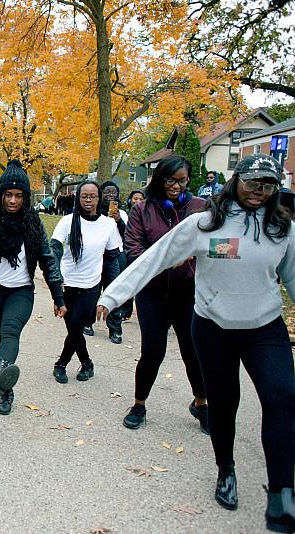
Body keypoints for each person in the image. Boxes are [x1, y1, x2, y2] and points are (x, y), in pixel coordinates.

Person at [96, 154, 295, 532]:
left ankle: (283, 492)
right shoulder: (204, 223)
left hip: (264, 328)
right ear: (236, 182)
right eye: (253, 184)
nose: (259, 192)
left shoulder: (282, 228)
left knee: (283, 398)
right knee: (224, 403)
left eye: (268, 186)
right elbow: (155, 258)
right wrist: (113, 295)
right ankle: (226, 470)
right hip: (214, 327)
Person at [0, 160, 66, 414]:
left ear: (25, 197)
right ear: (1, 194)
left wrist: (58, 296)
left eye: (18, 196)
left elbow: (48, 260)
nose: (13, 201)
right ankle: (5, 384)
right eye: (9, 195)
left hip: (21, 292)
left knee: (9, 333)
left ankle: (5, 379)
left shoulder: (33, 223)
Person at [111, 155, 210, 433]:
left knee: (193, 351)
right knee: (153, 351)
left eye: (182, 180)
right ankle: (139, 404)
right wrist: (165, 261)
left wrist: (189, 256)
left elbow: (214, 245)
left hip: (188, 292)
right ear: (159, 179)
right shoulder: (142, 210)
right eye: (170, 180)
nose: (176, 186)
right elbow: (133, 251)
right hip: (153, 293)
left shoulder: (200, 208)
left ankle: (201, 404)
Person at [49, 180, 121, 384]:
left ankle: (61, 364)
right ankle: (87, 363)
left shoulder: (108, 224)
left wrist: (111, 289)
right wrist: (54, 276)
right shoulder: (67, 221)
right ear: (78, 198)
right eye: (84, 196)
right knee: (73, 328)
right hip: (66, 284)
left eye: (93, 196)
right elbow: (54, 246)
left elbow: (113, 255)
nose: (88, 200)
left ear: (99, 198)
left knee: (76, 327)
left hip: (91, 285)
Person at [84, 180, 128, 344]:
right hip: (95, 257)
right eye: (107, 192)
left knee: (113, 292)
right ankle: (87, 323)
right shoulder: (93, 212)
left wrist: (118, 220)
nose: (110, 195)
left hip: (113, 257)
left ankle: (115, 329)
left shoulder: (121, 214)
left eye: (113, 192)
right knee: (93, 291)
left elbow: (127, 235)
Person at [121, 189, 146, 321]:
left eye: (141, 199)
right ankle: (126, 311)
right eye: (135, 198)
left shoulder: (147, 215)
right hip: (126, 252)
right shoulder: (124, 214)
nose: (138, 201)